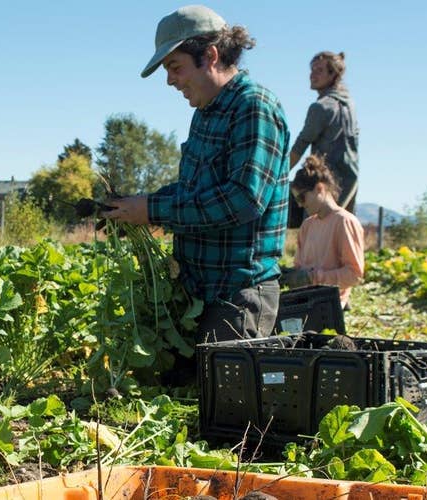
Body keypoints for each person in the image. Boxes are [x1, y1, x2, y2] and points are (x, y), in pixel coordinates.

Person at [104, 5, 290, 345]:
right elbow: (193, 189)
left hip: (237, 296)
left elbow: (242, 200)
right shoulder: (206, 112)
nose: (170, 80)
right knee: (173, 390)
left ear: (211, 55)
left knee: (221, 396)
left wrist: (153, 211)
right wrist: (136, 206)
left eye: (175, 68)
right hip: (196, 292)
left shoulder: (254, 107)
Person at [280, 154, 364, 309]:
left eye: (302, 198)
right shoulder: (307, 225)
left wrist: (313, 277)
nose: (300, 205)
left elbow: (354, 275)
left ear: (319, 188)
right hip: (305, 303)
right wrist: (288, 275)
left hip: (331, 307)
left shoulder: (344, 222)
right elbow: (300, 267)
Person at [288, 51, 359, 228]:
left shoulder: (321, 107)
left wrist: (278, 174)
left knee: (315, 232)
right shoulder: (349, 104)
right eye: (312, 70)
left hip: (325, 183)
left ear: (333, 74)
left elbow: (300, 145)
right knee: (341, 231)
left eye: (319, 70)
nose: (313, 75)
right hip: (350, 179)